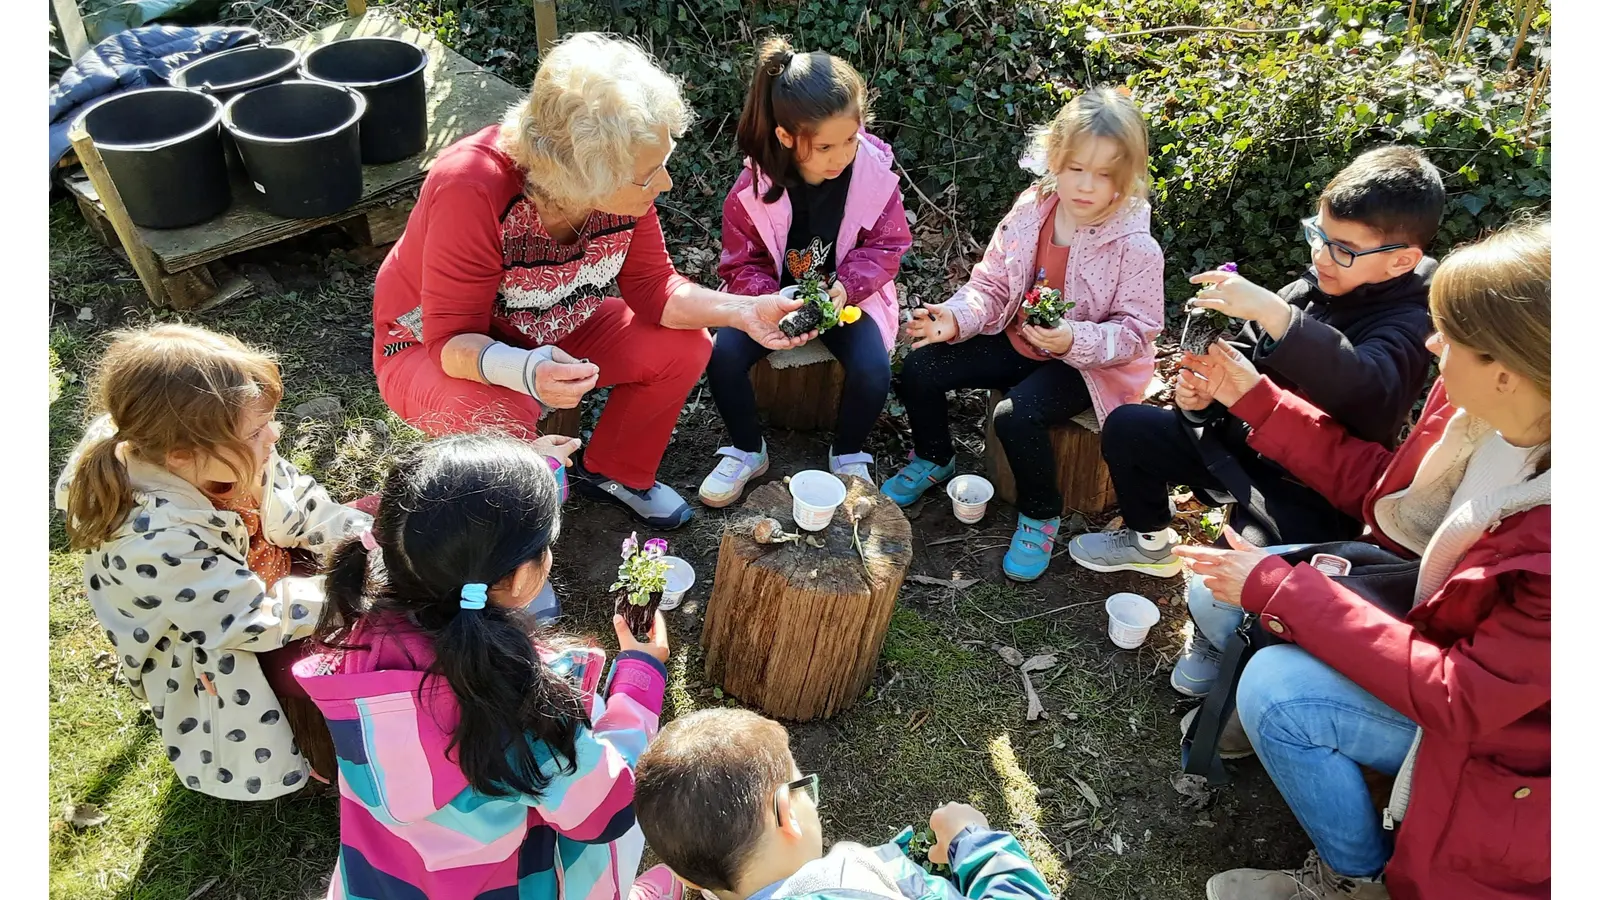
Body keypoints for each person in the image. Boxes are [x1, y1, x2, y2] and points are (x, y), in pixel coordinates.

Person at [1173, 219, 1549, 900]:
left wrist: (1284, 594)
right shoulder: (1488, 418)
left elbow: (1463, 701)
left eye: (1452, 336)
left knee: (1277, 693)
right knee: (1211, 594)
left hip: (1503, 749)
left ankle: (1354, 877)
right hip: (1424, 626)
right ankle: (1251, 729)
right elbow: (1383, 496)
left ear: (1508, 371)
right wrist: (1254, 397)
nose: (1432, 345)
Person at [370, 32, 817, 531]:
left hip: (550, 324)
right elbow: (448, 342)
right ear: (582, 174)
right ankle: (509, 551)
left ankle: (614, 472)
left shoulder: (619, 188)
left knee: (685, 346)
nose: (665, 184)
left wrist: (744, 311)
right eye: (650, 175)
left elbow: (655, 289)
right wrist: (527, 372)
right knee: (505, 410)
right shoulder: (470, 186)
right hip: (428, 349)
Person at [1070, 145, 1447, 700]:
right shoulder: (1307, 291)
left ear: (1400, 260)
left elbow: (1367, 386)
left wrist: (1273, 311)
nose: (1321, 256)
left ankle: (1214, 637)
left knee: (1240, 565)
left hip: (1307, 488)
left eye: (1343, 249)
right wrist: (1198, 399)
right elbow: (1238, 365)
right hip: (1236, 450)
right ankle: (1150, 539)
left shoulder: (1411, 321)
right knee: (1129, 427)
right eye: (1318, 235)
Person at [294, 432, 680, 900]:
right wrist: (637, 682)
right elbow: (605, 810)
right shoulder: (516, 702)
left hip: (391, 881)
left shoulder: (361, 644)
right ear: (519, 577)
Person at [53, 324, 372, 800]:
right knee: (337, 664)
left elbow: (303, 503)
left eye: (269, 420)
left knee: (375, 516)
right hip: (221, 659)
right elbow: (247, 622)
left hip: (263, 582)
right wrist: (352, 584)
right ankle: (320, 762)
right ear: (182, 456)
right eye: (257, 430)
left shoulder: (220, 453)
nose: (275, 436)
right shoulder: (154, 538)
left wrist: (368, 543)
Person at [883, 86, 1164, 582]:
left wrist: (1074, 339)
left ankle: (1039, 514)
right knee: (923, 365)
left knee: (1015, 417)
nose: (1085, 185)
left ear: (1125, 176)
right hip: (1019, 336)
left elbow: (1138, 331)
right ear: (1054, 157)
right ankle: (933, 456)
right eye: (1075, 168)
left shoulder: (1135, 245)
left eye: (1103, 174)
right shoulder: (1033, 208)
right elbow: (991, 283)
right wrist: (954, 318)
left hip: (1084, 365)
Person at [698, 38, 912, 505]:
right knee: (723, 356)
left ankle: (849, 453)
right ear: (787, 138)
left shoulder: (874, 174)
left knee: (874, 370)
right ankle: (747, 448)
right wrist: (770, 302)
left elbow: (887, 244)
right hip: (775, 301)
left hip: (846, 300)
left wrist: (847, 288)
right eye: (827, 146)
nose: (842, 156)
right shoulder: (751, 191)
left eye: (851, 139)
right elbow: (741, 262)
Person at [632, 707, 1054, 900]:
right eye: (803, 787)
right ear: (786, 814)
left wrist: (909, 854)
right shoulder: (855, 875)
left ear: (688, 882)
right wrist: (969, 839)